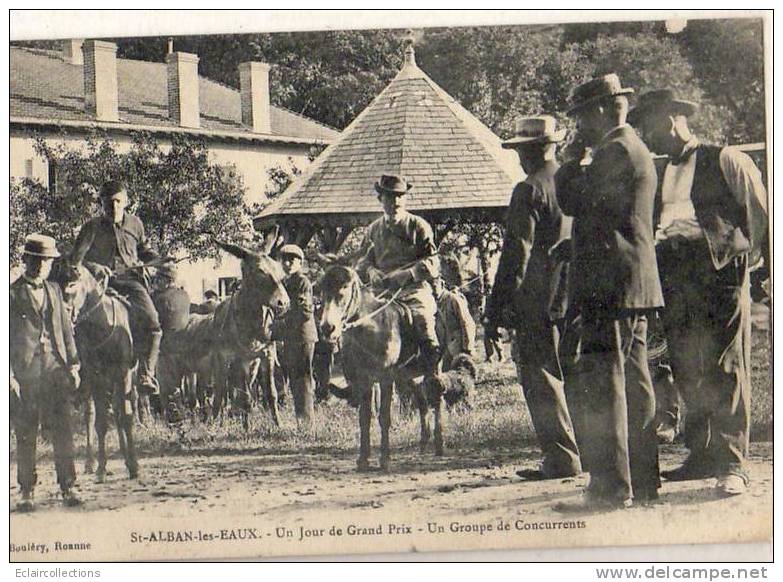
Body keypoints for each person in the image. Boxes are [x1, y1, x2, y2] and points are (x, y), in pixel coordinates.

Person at [629, 89, 768, 495]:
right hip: (674, 274)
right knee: (687, 365)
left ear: (671, 119)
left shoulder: (726, 159)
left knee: (724, 366)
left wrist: (751, 267)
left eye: (649, 127)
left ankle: (732, 464)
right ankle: (703, 453)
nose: (646, 137)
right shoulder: (657, 170)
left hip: (718, 273)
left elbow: (761, 217)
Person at [555, 74, 664, 510]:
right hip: (631, 284)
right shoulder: (633, 147)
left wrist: (568, 162)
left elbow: (575, 203)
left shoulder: (613, 150)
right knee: (635, 384)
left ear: (601, 110)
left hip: (610, 285)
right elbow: (615, 218)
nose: (579, 126)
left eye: (581, 116)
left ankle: (610, 489)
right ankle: (643, 483)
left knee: (607, 386)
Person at [485, 115, 582, 481]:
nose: (520, 159)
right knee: (573, 375)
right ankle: (586, 452)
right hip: (574, 296)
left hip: (537, 301)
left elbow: (515, 256)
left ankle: (561, 458)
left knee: (541, 379)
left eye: (521, 151)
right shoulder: (573, 183)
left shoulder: (527, 190)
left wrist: (495, 310)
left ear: (527, 153)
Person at [10, 234, 82, 511]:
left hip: (56, 370)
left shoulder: (54, 290)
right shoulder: (11, 294)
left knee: (63, 429)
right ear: (26, 260)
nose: (42, 266)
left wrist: (74, 364)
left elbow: (65, 331)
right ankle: (26, 491)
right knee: (26, 431)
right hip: (26, 372)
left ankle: (69, 487)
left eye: (48, 262)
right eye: (37, 260)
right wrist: (9, 375)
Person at [71, 180, 163, 394]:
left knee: (153, 324)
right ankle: (77, 376)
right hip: (98, 286)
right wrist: (95, 267)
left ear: (126, 201)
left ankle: (146, 374)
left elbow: (144, 250)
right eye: (108, 203)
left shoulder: (136, 224)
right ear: (101, 204)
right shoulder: (91, 227)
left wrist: (159, 260)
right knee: (74, 320)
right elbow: (75, 259)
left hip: (131, 283)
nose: (113, 207)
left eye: (118, 202)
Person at [356, 174, 441, 378]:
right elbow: (362, 261)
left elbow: (433, 262)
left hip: (413, 291)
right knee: (357, 324)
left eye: (400, 197)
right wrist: (370, 271)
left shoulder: (418, 226)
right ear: (380, 200)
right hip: (381, 293)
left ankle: (433, 377)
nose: (395, 202)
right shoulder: (373, 229)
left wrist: (409, 274)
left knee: (425, 325)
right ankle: (356, 379)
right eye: (390, 197)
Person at [275, 244, 318, 426]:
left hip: (302, 335)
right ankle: (301, 420)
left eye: (292, 260)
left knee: (303, 379)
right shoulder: (284, 282)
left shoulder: (302, 282)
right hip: (291, 337)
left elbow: (304, 311)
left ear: (300, 262)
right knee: (294, 380)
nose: (287, 263)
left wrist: (281, 323)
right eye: (284, 259)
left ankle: (307, 423)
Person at [151, 262, 191, 421]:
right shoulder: (184, 295)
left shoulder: (159, 298)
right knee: (177, 386)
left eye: (158, 279)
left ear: (166, 280)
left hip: (166, 348)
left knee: (166, 386)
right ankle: (179, 419)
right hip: (184, 346)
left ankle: (174, 422)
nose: (156, 282)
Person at [432, 276, 476, 371]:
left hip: (459, 345)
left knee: (462, 374)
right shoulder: (434, 303)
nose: (432, 290)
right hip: (447, 347)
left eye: (434, 286)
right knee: (446, 374)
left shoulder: (453, 299)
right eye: (429, 288)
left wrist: (467, 348)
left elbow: (467, 323)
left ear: (442, 285)